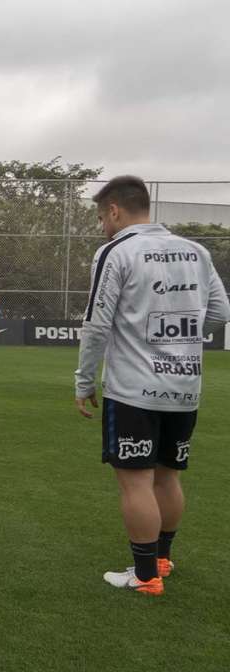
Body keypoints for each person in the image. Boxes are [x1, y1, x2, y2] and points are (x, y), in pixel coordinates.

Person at [74, 175, 230, 596]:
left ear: (114, 210)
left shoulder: (115, 251)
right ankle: (162, 557)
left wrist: (85, 380)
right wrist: (183, 338)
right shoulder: (196, 251)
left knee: (136, 481)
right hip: (185, 387)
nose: (102, 226)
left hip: (133, 389)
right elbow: (220, 311)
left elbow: (96, 324)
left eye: (100, 217)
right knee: (168, 476)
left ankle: (145, 576)